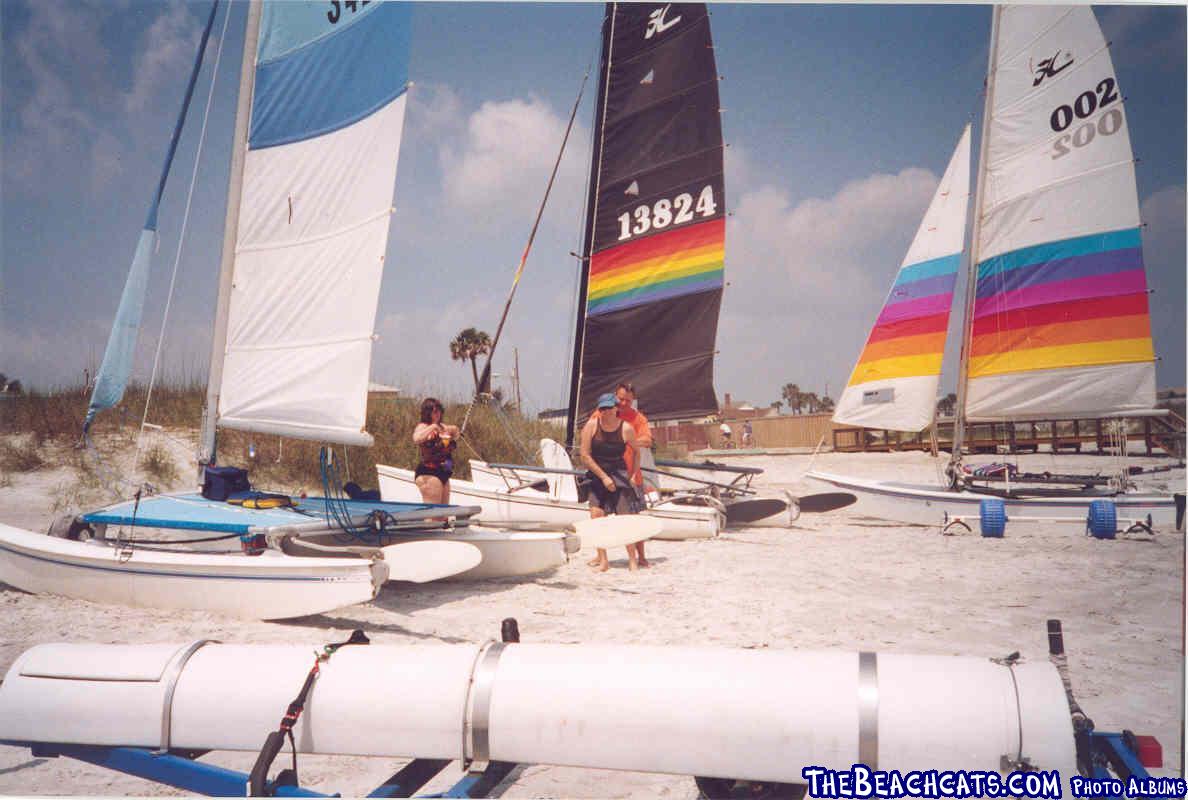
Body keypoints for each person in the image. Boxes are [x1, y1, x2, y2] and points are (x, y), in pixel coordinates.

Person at [580, 392, 641, 572]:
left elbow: (637, 452)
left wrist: (631, 475)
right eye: (602, 409)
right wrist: (603, 477)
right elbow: (585, 455)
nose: (606, 412)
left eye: (609, 408)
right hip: (597, 474)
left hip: (619, 473)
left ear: (616, 409)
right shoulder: (591, 426)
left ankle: (632, 559)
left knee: (624, 518)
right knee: (596, 516)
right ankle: (603, 561)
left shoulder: (626, 428)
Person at [412, 397, 459, 505]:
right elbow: (416, 438)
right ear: (428, 413)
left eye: (439, 411)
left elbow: (456, 436)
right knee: (433, 514)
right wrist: (432, 427)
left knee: (443, 513)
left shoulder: (443, 426)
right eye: (434, 412)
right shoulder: (423, 426)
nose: (438, 414)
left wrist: (454, 430)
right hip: (429, 473)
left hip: (444, 472)